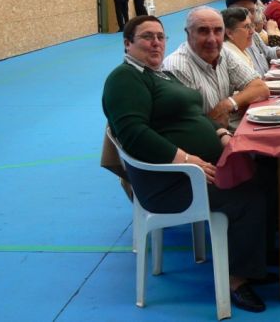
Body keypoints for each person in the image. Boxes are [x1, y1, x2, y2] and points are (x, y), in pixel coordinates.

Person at [102, 15, 270, 313]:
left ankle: (255, 257)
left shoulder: (159, 75)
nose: (156, 43)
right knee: (249, 197)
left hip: (194, 170)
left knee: (264, 174)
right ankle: (236, 280)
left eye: (160, 37)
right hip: (171, 182)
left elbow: (189, 116)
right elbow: (134, 134)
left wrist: (218, 134)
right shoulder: (125, 78)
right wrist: (188, 159)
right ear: (128, 43)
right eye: (146, 37)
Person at [163, 6, 269, 131]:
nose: (212, 39)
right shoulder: (178, 68)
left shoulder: (224, 52)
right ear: (188, 33)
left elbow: (261, 89)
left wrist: (227, 105)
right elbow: (190, 127)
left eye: (218, 31)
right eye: (203, 31)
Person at [225, 0, 280, 75]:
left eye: (252, 11)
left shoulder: (254, 34)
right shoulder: (229, 45)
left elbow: (267, 52)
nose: (248, 16)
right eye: (242, 11)